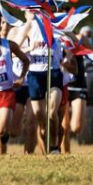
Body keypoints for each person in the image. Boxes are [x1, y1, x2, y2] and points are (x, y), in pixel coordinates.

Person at [14, 9, 64, 154]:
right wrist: (30, 47)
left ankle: (54, 146)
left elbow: (71, 36)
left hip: (53, 71)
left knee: (52, 111)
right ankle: (46, 138)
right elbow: (14, 48)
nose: (35, 13)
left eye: (38, 9)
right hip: (35, 73)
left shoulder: (54, 24)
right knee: (40, 116)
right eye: (31, 10)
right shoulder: (29, 26)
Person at [0, 15, 29, 153]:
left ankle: (4, 137)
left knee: (1, 130)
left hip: (5, 92)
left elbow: (25, 60)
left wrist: (21, 78)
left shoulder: (9, 45)